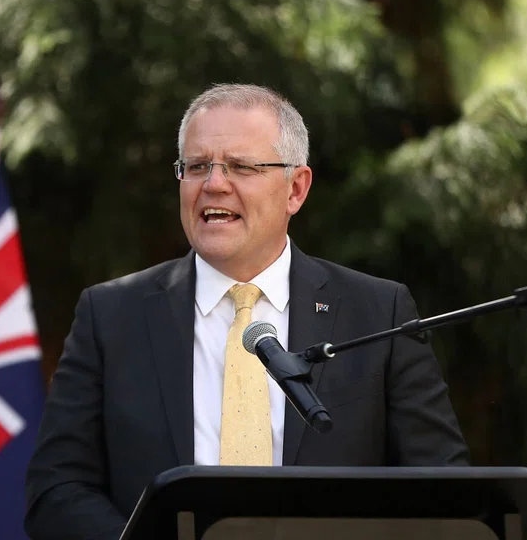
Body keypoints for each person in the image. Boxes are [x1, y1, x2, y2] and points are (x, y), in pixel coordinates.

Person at [24, 84, 469, 540]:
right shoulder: (110, 316)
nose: (214, 184)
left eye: (241, 166)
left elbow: (445, 488)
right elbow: (56, 490)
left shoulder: (378, 312)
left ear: (296, 189)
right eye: (197, 166)